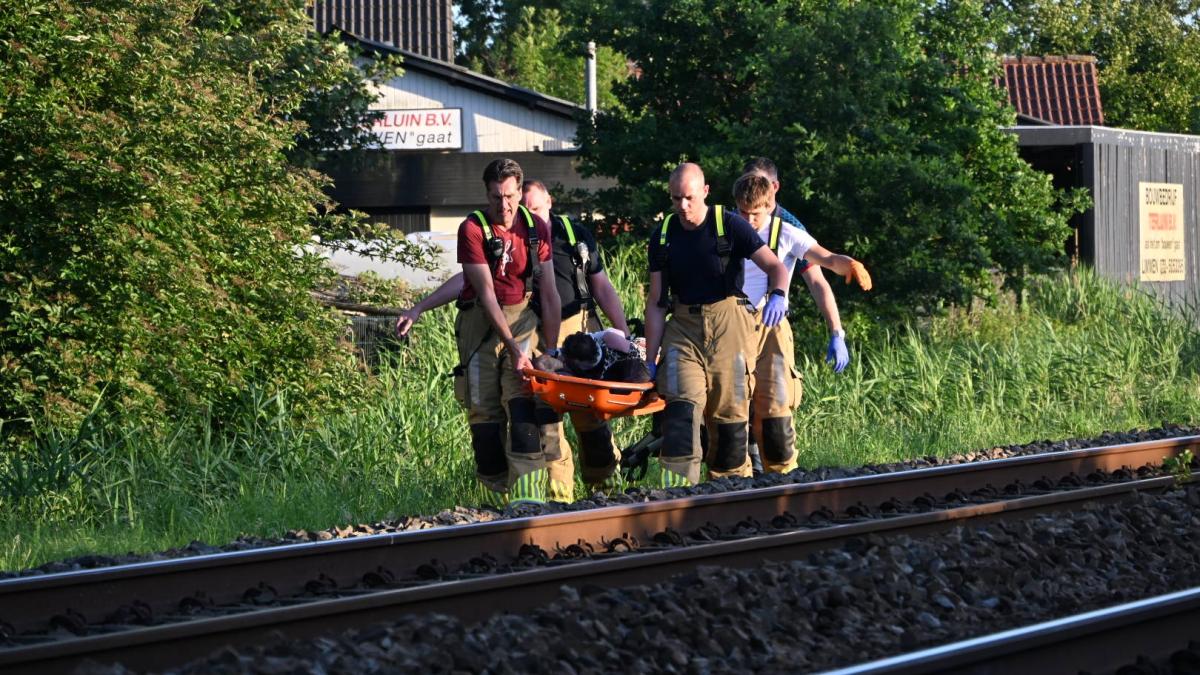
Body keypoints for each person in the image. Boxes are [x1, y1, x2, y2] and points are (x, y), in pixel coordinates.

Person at [397, 179, 631, 500]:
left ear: (550, 203)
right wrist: (420, 307)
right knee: (544, 422)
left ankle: (608, 491)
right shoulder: (514, 238)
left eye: (536, 208)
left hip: (576, 335)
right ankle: (557, 498)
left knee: (590, 419)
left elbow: (601, 287)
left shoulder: (574, 236)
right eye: (526, 209)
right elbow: (470, 279)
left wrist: (625, 335)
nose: (529, 215)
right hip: (530, 335)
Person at [644, 162, 790, 487]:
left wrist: (779, 294)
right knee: (680, 413)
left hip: (729, 325)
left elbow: (776, 267)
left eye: (690, 198)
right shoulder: (663, 236)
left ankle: (730, 495)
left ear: (705, 192)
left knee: (730, 422)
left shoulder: (730, 225)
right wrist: (650, 360)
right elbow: (656, 302)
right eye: (676, 198)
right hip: (683, 327)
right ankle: (676, 496)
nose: (683, 206)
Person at [432, 158, 560, 505]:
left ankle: (530, 498)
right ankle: (496, 496)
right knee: (484, 414)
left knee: (523, 405)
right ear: (486, 194)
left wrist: (551, 350)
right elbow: (486, 294)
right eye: (495, 197)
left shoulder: (536, 228)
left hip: (524, 319)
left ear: (519, 191)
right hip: (480, 326)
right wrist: (512, 349)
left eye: (510, 196)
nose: (504, 205)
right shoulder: (472, 228)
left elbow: (550, 292)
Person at [734, 172, 872, 474]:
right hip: (733, 323)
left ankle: (782, 477)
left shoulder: (786, 231)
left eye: (755, 214)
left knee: (775, 407)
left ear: (769, 206)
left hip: (771, 324)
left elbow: (826, 259)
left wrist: (848, 264)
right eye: (743, 213)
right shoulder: (727, 228)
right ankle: (733, 482)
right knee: (730, 409)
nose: (749, 221)